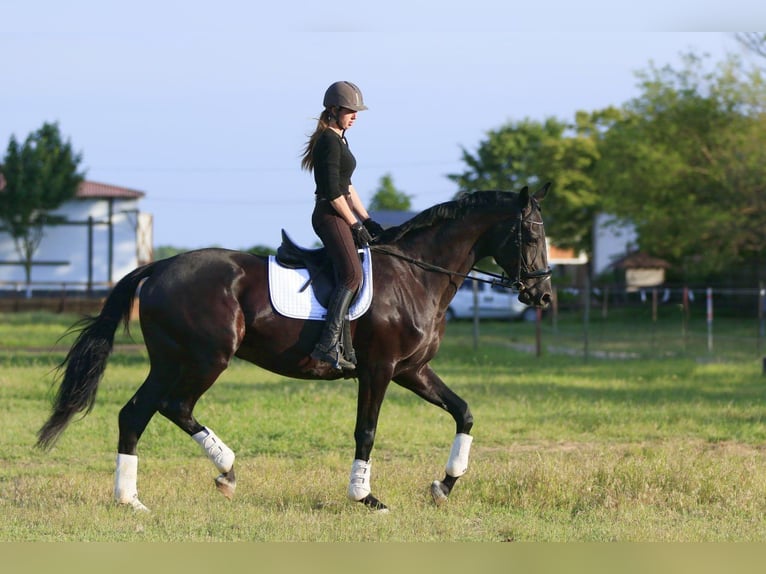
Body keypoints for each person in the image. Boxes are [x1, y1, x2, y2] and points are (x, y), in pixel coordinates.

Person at [300, 81, 384, 371]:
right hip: (329, 215)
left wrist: (368, 219)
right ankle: (327, 344)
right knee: (351, 276)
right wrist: (353, 223)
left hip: (340, 213)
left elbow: (347, 187)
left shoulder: (341, 139)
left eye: (356, 111)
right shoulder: (328, 141)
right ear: (334, 110)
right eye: (350, 110)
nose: (355, 115)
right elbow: (332, 193)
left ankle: (347, 345)